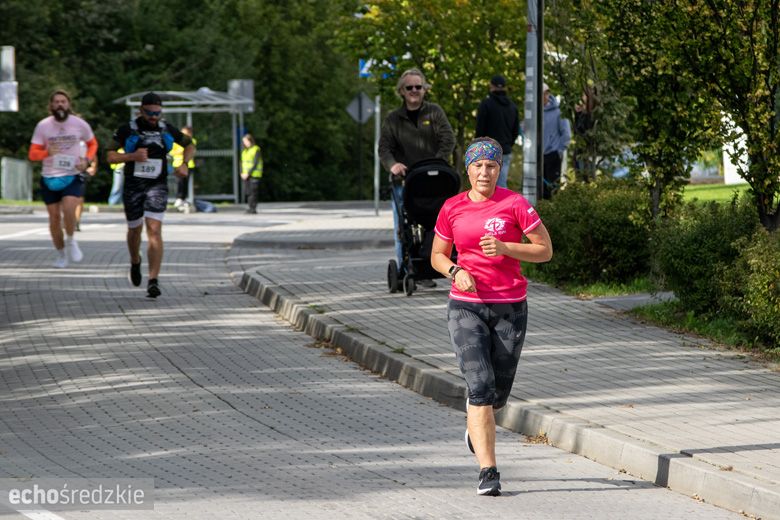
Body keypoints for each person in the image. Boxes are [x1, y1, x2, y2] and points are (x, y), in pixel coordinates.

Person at [430, 137, 553, 496]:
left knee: (497, 394)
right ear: (467, 169)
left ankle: (477, 421)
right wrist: (455, 271)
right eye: (478, 166)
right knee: (480, 387)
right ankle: (488, 471)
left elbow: (544, 251)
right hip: (465, 305)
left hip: (510, 307)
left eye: (491, 166)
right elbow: (438, 254)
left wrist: (504, 248)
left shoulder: (515, 204)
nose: (485, 172)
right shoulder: (452, 208)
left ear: (499, 168)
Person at [106, 92, 195, 298]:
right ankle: (135, 261)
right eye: (149, 112)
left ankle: (153, 280)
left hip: (157, 185)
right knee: (135, 230)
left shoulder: (166, 129)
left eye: (157, 112)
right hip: (133, 186)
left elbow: (190, 145)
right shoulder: (127, 129)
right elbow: (109, 156)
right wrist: (131, 156)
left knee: (154, 230)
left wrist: (183, 163)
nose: (154, 117)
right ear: (141, 110)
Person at [379, 67, 455, 282]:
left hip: (434, 180)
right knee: (403, 226)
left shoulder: (435, 112)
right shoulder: (393, 119)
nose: (414, 90)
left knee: (439, 222)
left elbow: (448, 139)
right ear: (402, 91)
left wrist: (438, 161)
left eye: (418, 87)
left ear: (425, 90)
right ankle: (406, 267)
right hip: (405, 180)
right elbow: (384, 148)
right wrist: (393, 165)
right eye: (409, 87)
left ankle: (436, 262)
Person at [28, 89, 98, 268]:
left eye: (63, 101)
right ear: (51, 105)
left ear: (69, 104)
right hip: (49, 176)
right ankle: (60, 254)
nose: (60, 104)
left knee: (69, 208)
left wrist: (87, 160)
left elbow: (93, 144)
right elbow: (32, 154)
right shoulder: (43, 126)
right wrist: (46, 152)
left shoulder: (79, 124)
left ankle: (71, 239)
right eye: (56, 102)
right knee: (53, 219)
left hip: (72, 174)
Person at [475, 74, 520, 188]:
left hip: (488, 150)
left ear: (491, 86)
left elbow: (480, 129)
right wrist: (508, 144)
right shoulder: (513, 107)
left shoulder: (486, 104)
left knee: (486, 185)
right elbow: (515, 131)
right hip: (505, 150)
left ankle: (493, 206)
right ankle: (503, 204)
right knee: (501, 183)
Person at [542, 83, 571, 199]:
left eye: (546, 93)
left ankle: (554, 213)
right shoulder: (535, 112)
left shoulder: (558, 111)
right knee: (540, 189)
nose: (544, 96)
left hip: (553, 154)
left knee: (553, 188)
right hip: (538, 156)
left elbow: (566, 133)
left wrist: (559, 150)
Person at [172, 126, 197, 210]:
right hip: (178, 164)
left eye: (186, 133)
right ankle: (179, 198)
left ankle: (183, 198)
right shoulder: (177, 141)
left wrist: (184, 151)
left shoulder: (192, 141)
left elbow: (190, 149)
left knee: (185, 182)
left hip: (189, 165)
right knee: (179, 182)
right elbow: (173, 151)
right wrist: (182, 151)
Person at [240, 133, 263, 214]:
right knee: (248, 192)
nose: (244, 143)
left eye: (245, 141)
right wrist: (242, 173)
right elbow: (242, 163)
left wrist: (248, 173)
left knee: (253, 192)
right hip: (245, 175)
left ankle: (253, 208)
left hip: (254, 174)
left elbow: (255, 163)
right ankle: (250, 208)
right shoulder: (244, 151)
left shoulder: (256, 149)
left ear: (250, 141)